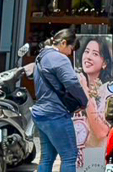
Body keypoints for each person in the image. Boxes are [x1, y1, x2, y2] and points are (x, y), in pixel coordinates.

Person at [32, 29, 88, 172]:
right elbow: (72, 82)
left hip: (41, 113)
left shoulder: (41, 57)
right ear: (63, 43)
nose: (70, 53)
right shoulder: (59, 58)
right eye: (70, 48)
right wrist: (83, 101)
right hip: (56, 113)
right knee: (69, 156)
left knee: (47, 157)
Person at [76, 37, 113, 149]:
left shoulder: (107, 91)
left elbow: (101, 132)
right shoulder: (75, 86)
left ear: (104, 63)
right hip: (77, 152)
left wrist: (84, 90)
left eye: (95, 54)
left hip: (96, 152)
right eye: (86, 52)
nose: (88, 57)